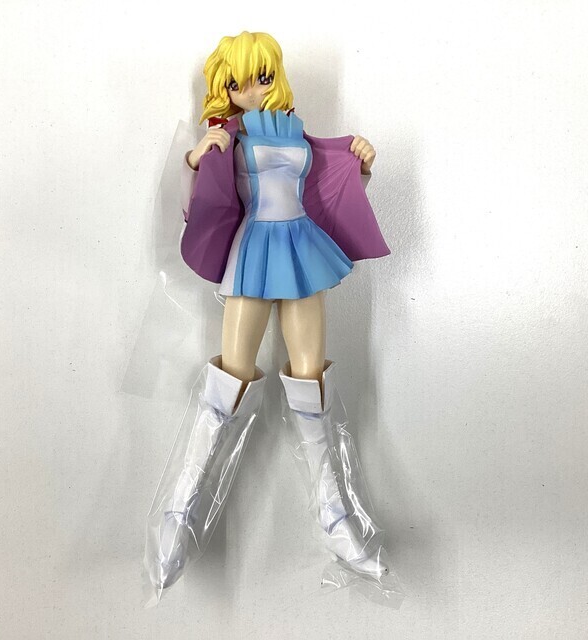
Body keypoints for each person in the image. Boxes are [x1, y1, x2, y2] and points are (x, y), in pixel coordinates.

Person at [144, 30, 393, 602]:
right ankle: (181, 509)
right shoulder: (229, 136)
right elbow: (195, 185)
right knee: (231, 375)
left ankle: (335, 515)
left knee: (310, 376)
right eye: (236, 84)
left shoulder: (297, 132)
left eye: (260, 77)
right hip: (255, 250)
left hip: (301, 247)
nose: (251, 90)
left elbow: (330, 180)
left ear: (275, 75)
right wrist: (195, 156)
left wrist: (361, 159)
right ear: (225, 91)